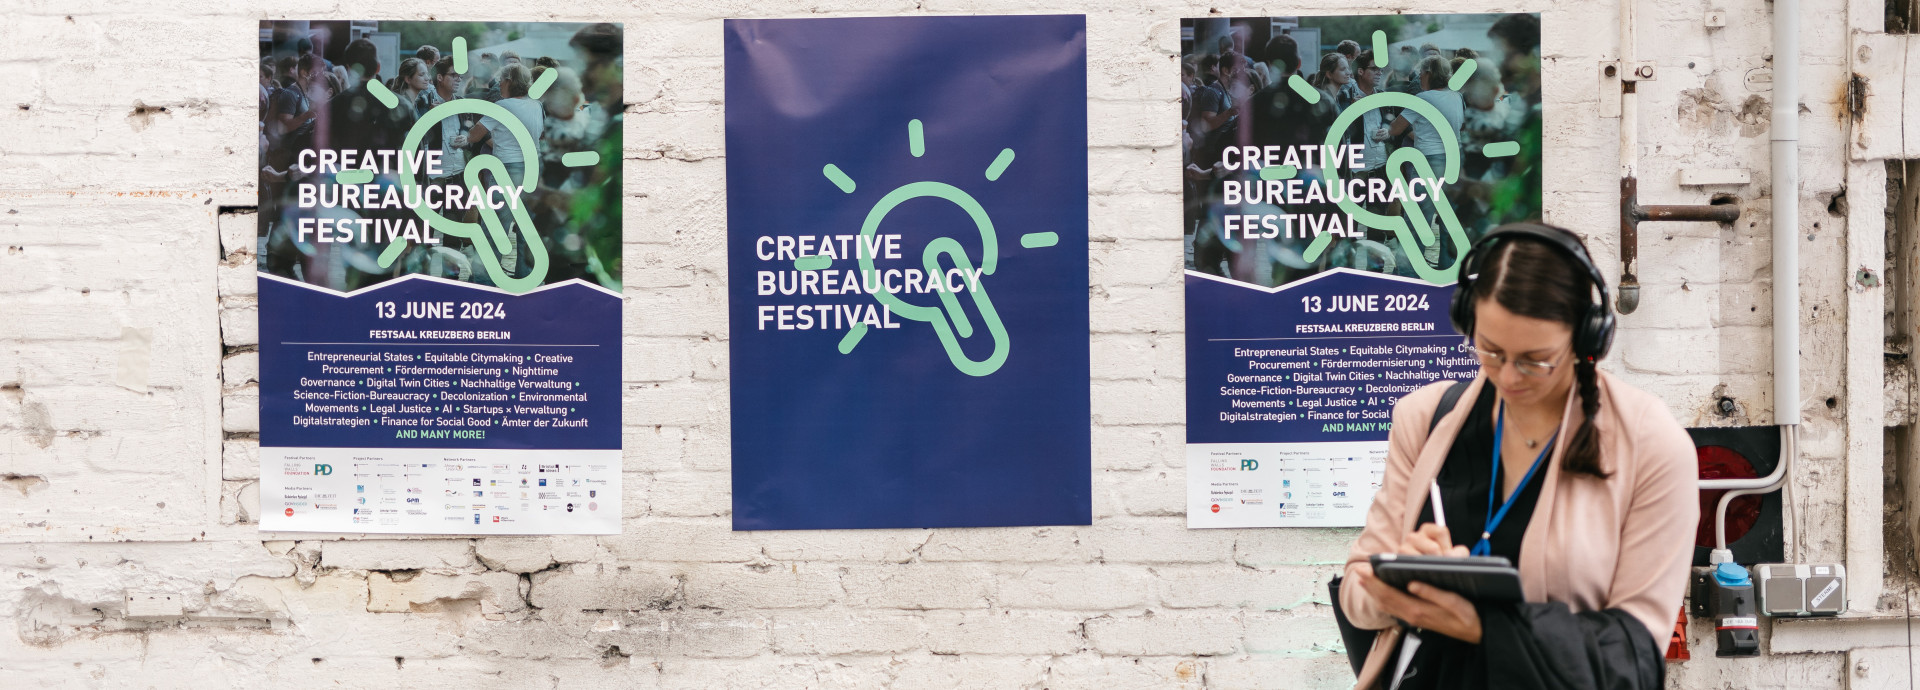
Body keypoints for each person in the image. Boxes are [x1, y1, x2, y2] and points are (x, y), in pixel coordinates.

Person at [1338, 225, 1696, 689]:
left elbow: (1633, 659)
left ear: (1586, 338)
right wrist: (1395, 585)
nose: (1507, 376)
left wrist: (1484, 626)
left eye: (1535, 359)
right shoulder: (1424, 419)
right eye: (1489, 350)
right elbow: (1355, 590)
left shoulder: (1651, 446)